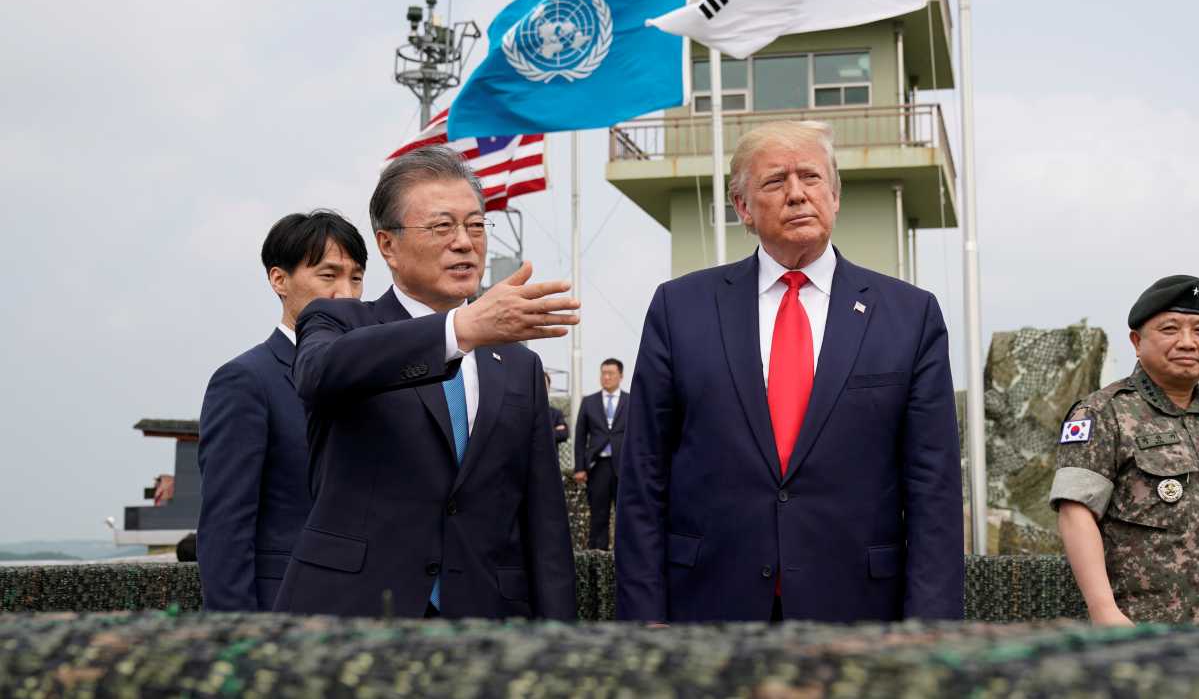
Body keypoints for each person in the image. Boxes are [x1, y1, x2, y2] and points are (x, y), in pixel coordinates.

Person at [616, 120, 964, 623]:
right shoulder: (680, 308)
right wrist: (645, 615)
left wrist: (930, 626)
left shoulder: (910, 316)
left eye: (811, 177)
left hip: (860, 614)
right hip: (708, 609)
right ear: (742, 208)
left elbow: (933, 488)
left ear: (835, 196)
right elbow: (643, 475)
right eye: (776, 181)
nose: (797, 194)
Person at [274, 146, 581, 619]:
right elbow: (320, 372)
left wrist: (560, 640)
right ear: (388, 245)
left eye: (476, 226)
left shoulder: (518, 365)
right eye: (442, 227)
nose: (464, 242)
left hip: (486, 619)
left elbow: (544, 522)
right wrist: (459, 331)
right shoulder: (339, 322)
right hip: (354, 616)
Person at [1049, 275, 1199, 627]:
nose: (1187, 342)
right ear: (1137, 342)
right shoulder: (1103, 413)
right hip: (1147, 634)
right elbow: (1075, 512)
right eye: (1170, 329)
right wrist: (1104, 613)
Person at [197, 210, 366, 611]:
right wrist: (236, 637)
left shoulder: (373, 375)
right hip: (284, 614)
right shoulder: (246, 380)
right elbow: (226, 526)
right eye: (328, 276)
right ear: (279, 280)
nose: (346, 293)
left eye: (356, 278)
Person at [573, 358, 629, 549]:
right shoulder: (589, 402)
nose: (606, 377)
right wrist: (579, 467)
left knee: (626, 517)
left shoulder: (632, 401)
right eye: (603, 373)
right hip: (598, 467)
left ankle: (624, 561)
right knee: (598, 517)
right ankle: (597, 563)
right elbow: (580, 437)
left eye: (610, 373)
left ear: (620, 376)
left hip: (624, 467)